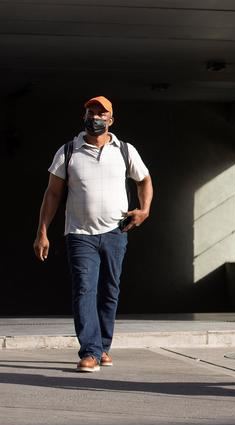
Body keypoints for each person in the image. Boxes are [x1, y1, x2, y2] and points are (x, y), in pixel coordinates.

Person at [33, 96, 153, 372]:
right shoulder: (68, 151)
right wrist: (42, 232)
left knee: (110, 290)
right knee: (85, 290)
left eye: (102, 114)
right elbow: (52, 194)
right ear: (84, 116)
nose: (95, 117)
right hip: (79, 233)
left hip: (116, 232)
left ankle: (103, 347)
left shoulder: (124, 150)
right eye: (91, 112)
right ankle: (89, 351)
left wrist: (144, 210)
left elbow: (144, 180)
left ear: (111, 119)